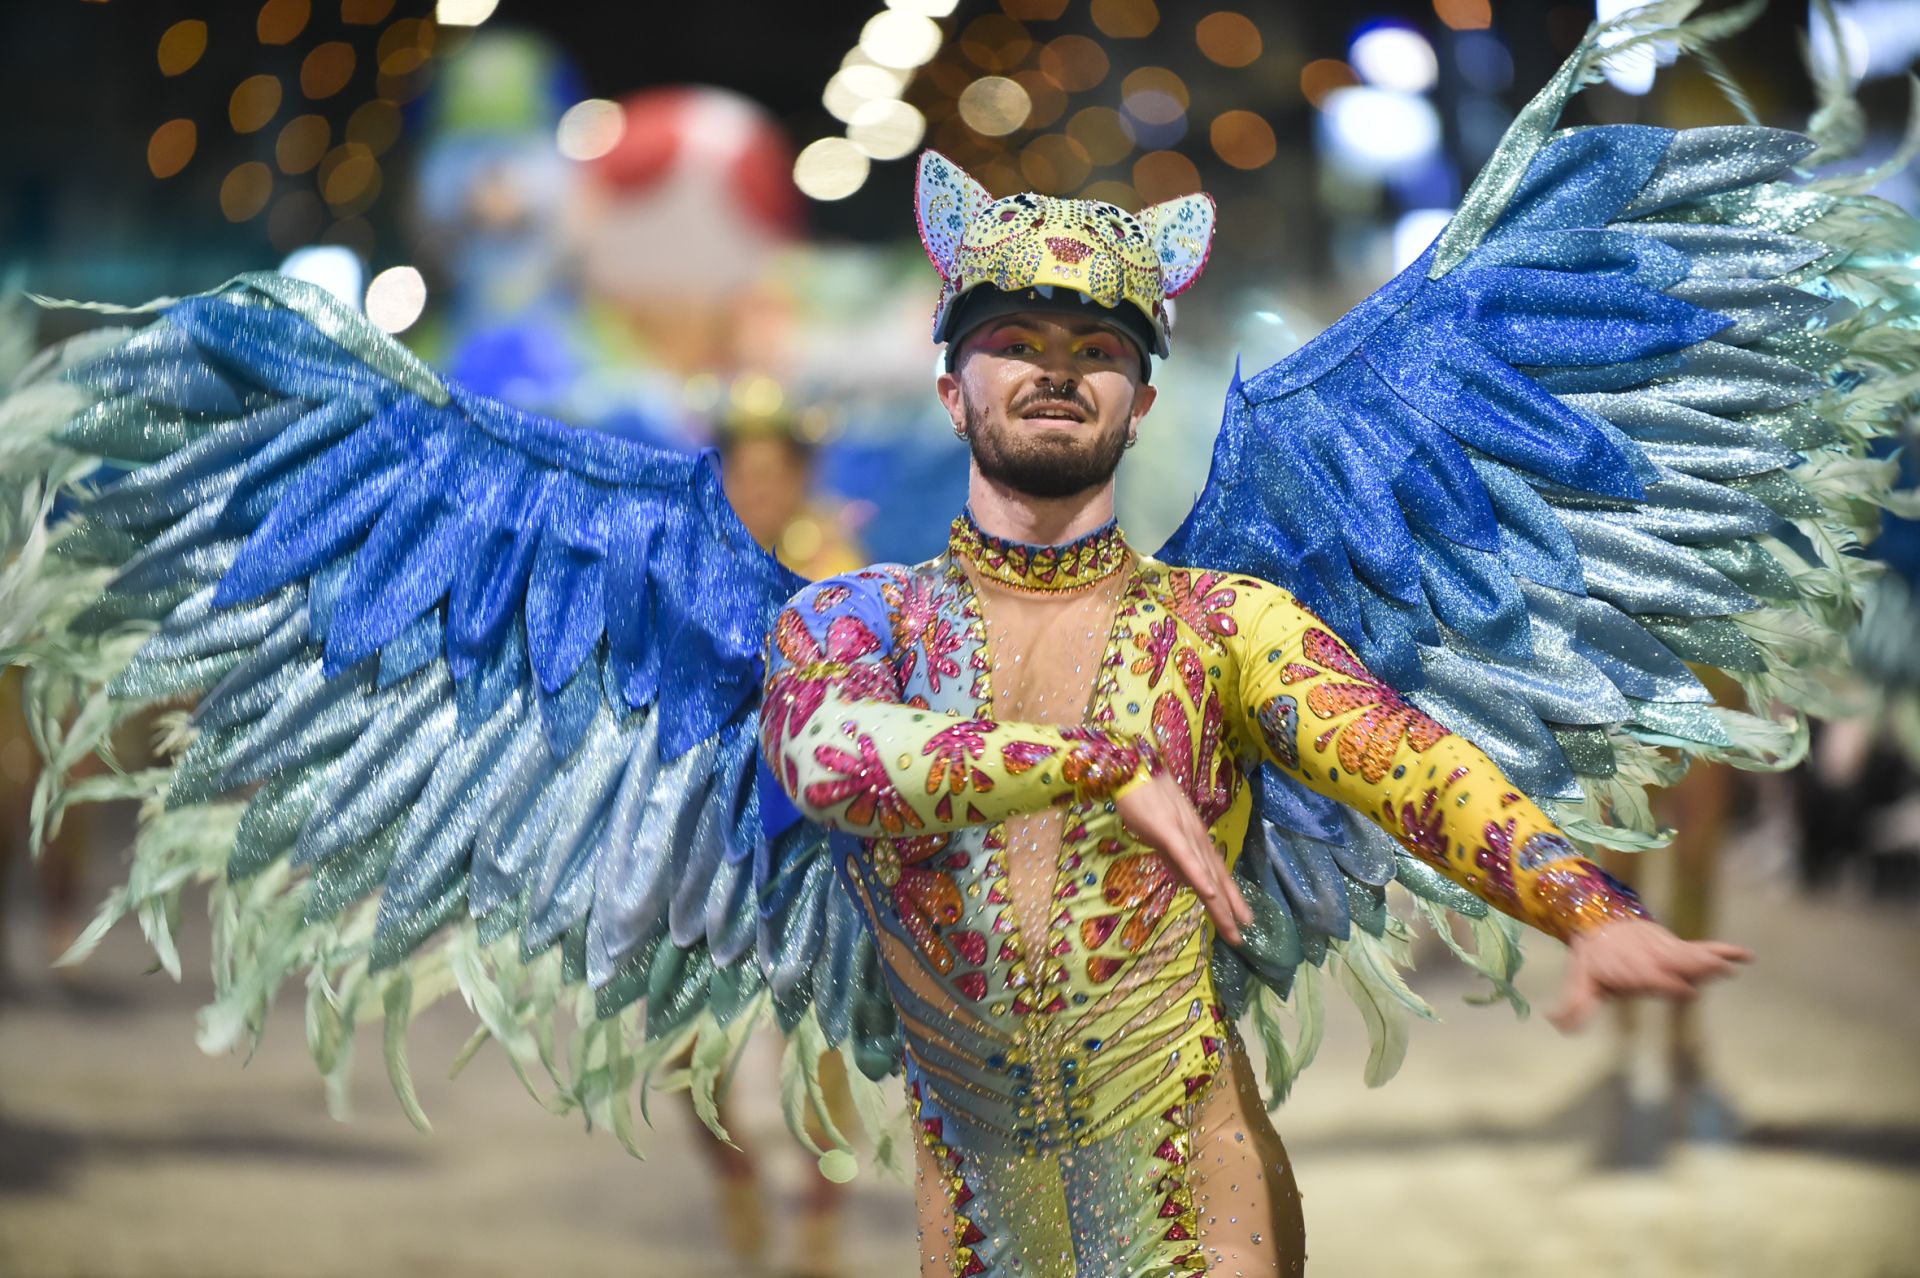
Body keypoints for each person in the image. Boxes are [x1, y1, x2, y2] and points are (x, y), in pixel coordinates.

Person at [754, 156, 1752, 1276]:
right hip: (980, 1234)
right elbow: (827, 757)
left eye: (1098, 352)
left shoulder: (1222, 626)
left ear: (1141, 407)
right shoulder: (855, 621)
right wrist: (1094, 762)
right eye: (1017, 342)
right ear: (952, 391)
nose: (1058, 372)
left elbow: (1404, 759)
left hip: (1196, 1210)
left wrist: (1585, 907)